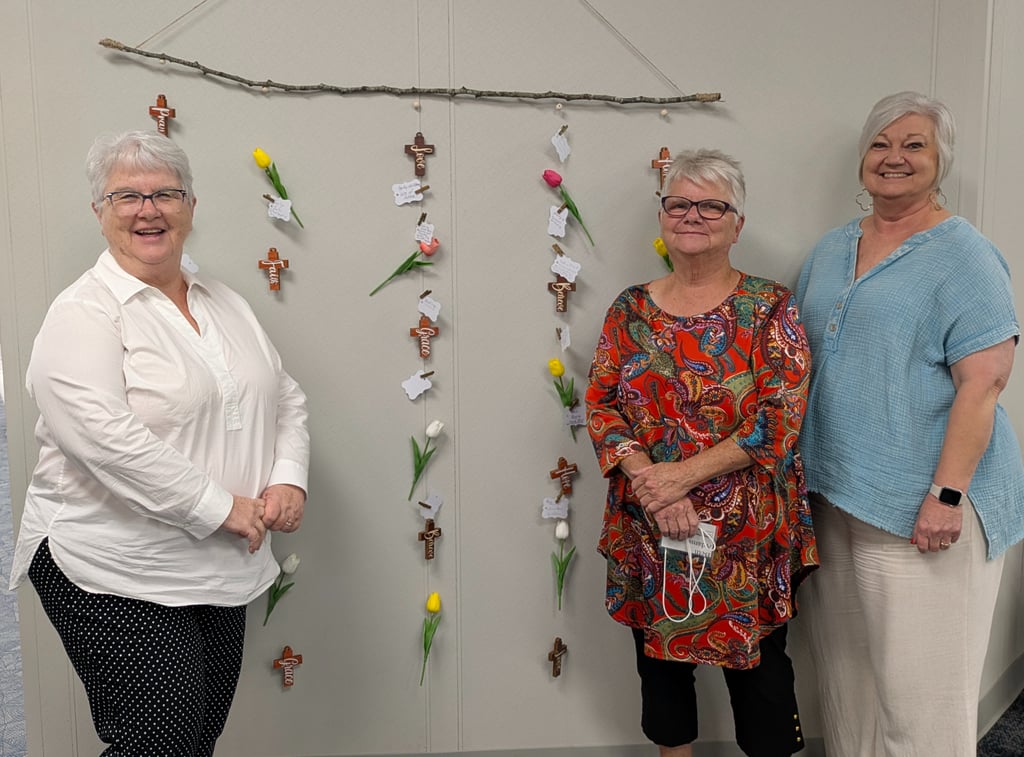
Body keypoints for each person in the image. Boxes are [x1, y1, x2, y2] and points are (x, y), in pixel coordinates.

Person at [8, 131, 310, 755]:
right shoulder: (84, 313)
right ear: (100, 212)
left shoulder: (226, 304)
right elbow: (104, 439)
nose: (149, 209)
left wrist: (287, 478)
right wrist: (223, 508)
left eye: (166, 193)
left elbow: (284, 398)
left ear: (190, 207)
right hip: (113, 565)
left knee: (193, 741)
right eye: (126, 196)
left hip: (219, 565)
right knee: (160, 744)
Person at [796, 91, 1024, 757]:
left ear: (939, 160)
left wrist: (946, 494)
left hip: (925, 505)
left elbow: (984, 383)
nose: (894, 157)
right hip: (836, 496)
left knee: (920, 702)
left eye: (914, 144)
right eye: (880, 144)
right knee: (850, 685)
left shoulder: (966, 256)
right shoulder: (832, 247)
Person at [586, 148, 817, 757]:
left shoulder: (770, 307)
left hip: (746, 533)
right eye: (679, 203)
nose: (693, 215)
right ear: (662, 216)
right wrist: (652, 485)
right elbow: (602, 406)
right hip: (650, 525)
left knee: (760, 675)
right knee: (660, 671)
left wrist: (680, 478)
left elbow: (781, 417)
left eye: (711, 204)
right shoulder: (629, 309)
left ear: (736, 222)